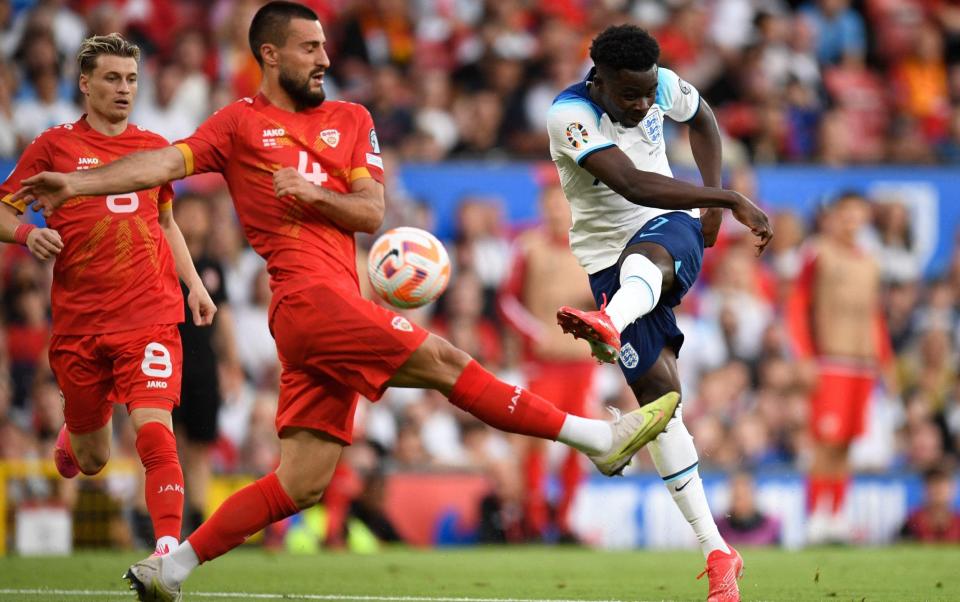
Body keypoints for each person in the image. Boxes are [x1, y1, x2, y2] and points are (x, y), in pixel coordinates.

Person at [12, 4, 680, 600]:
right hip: (304, 301)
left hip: (331, 303)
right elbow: (159, 166)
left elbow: (370, 211)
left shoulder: (352, 119)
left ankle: (173, 566)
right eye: (309, 48)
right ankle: (594, 436)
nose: (326, 58)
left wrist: (313, 197)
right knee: (445, 359)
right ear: (269, 54)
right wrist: (76, 184)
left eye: (325, 47)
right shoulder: (238, 123)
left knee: (301, 483)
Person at [545, 25, 773, 602]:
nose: (644, 104)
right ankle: (718, 552)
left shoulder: (658, 83)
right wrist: (727, 199)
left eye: (649, 93)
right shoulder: (568, 116)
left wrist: (711, 196)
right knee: (661, 407)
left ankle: (610, 323)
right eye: (631, 96)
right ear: (600, 80)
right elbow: (630, 183)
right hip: (606, 259)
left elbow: (703, 119)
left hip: (666, 233)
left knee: (651, 251)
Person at [0, 33, 217, 557]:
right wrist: (29, 233)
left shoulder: (152, 147)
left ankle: (168, 550)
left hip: (150, 316)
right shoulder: (53, 146)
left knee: (154, 430)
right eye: (113, 79)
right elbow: (4, 209)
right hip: (79, 324)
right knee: (93, 457)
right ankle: (72, 442)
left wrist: (194, 284)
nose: (124, 89)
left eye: (132, 79)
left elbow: (166, 222)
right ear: (85, 83)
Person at [787, 191, 893, 544]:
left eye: (858, 214)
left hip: (863, 365)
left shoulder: (872, 261)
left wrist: (886, 362)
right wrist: (803, 355)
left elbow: (875, 315)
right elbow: (798, 303)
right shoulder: (818, 251)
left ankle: (837, 516)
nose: (852, 220)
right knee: (825, 442)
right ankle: (816, 516)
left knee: (847, 443)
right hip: (830, 359)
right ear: (833, 216)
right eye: (845, 213)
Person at [498, 181, 598, 541]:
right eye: (551, 205)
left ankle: (566, 519)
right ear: (543, 208)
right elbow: (507, 301)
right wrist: (533, 334)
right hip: (543, 363)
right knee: (537, 440)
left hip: (582, 363)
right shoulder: (529, 248)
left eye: (563, 204)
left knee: (583, 441)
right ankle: (535, 519)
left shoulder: (591, 249)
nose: (558, 211)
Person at [899, 465, 960, 543]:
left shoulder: (958, 522)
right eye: (933, 485)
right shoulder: (913, 523)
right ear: (924, 490)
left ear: (953, 489)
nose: (938, 490)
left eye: (942, 485)